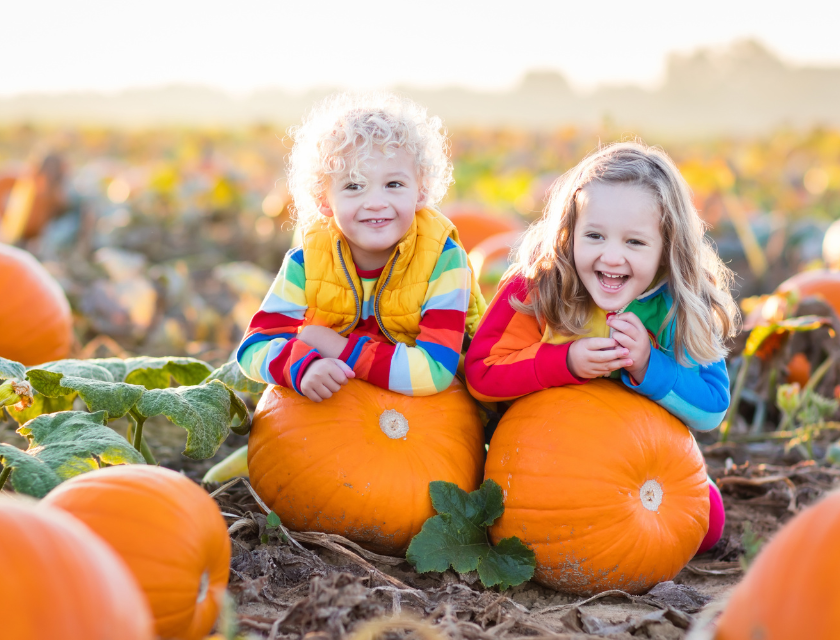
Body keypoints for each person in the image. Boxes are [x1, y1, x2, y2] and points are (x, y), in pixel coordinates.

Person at [464, 141, 738, 553]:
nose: (612, 257)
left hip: (636, 464)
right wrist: (565, 361)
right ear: (568, 232)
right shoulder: (537, 288)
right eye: (594, 236)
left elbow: (712, 408)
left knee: (707, 526)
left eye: (635, 243)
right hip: (541, 461)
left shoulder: (678, 305)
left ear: (668, 248)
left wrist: (650, 365)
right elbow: (481, 373)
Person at [237, 92, 485, 401]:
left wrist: (338, 348)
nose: (376, 203)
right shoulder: (307, 262)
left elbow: (435, 371)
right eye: (354, 186)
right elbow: (254, 347)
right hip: (337, 412)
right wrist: (303, 367)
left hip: (429, 417)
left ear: (421, 192)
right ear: (323, 200)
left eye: (393, 184)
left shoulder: (444, 260)